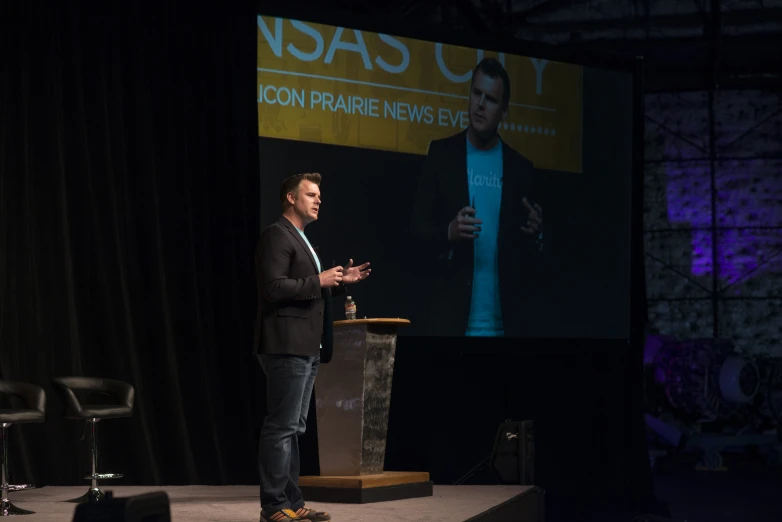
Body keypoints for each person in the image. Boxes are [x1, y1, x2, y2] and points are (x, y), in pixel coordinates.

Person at [254, 172, 371, 522]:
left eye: (320, 195)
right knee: (281, 427)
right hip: (286, 345)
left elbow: (305, 289)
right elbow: (273, 288)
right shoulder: (276, 235)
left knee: (295, 428)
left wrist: (336, 284)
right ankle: (273, 506)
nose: (318, 200)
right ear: (290, 198)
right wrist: (318, 280)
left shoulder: (302, 239)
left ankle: (293, 502)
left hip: (307, 346)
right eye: (311, 194)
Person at [410, 57, 544, 338]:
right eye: (476, 94)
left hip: (506, 327)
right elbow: (415, 234)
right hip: (451, 325)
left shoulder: (521, 170)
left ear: (504, 110)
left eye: (491, 99)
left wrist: (537, 235)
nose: (480, 104)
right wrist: (449, 232)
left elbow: (533, 264)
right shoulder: (442, 156)